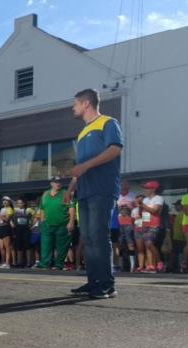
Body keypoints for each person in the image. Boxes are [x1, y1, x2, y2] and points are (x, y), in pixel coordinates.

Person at [69, 88, 124, 299]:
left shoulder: (108, 123)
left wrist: (85, 167)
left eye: (75, 103)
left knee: (99, 237)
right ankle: (94, 282)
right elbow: (80, 167)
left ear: (86, 104)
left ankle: (107, 285)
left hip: (102, 189)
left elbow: (115, 149)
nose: (72, 108)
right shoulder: (82, 133)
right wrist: (70, 188)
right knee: (88, 238)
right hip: (84, 191)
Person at [36, 176, 73, 271]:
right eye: (56, 182)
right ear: (51, 183)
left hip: (62, 225)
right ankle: (44, 264)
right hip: (47, 224)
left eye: (60, 182)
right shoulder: (45, 194)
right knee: (45, 245)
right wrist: (42, 220)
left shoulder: (66, 193)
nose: (58, 184)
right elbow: (42, 208)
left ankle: (58, 264)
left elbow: (71, 208)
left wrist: (71, 222)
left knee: (62, 246)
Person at [139, 181, 164, 273]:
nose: (145, 190)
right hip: (145, 224)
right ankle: (150, 265)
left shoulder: (158, 198)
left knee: (149, 243)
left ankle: (160, 262)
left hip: (154, 224)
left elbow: (154, 210)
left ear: (153, 189)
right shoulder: (145, 200)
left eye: (147, 188)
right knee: (147, 245)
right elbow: (142, 213)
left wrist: (143, 205)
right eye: (144, 188)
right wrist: (140, 208)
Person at [116, 179, 136, 271]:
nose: (123, 187)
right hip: (118, 222)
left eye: (125, 185)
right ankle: (120, 264)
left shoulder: (132, 196)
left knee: (130, 243)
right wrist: (118, 207)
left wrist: (130, 206)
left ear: (128, 186)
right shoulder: (116, 196)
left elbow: (137, 209)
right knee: (119, 243)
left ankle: (133, 266)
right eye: (121, 185)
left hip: (129, 222)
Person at [12, 199, 33, 268]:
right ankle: (19, 262)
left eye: (21, 203)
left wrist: (30, 226)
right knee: (18, 246)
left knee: (27, 246)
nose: (19, 204)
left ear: (24, 203)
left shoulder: (28, 210)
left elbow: (32, 219)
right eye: (18, 203)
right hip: (18, 230)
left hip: (26, 230)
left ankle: (29, 263)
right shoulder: (15, 211)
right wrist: (14, 229)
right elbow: (12, 221)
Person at [0, 196, 14, 268]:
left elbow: (6, 219)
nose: (5, 202)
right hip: (1, 227)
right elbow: (0, 219)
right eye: (4, 200)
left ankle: (7, 263)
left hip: (6, 227)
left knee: (7, 246)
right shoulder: (2, 209)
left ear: (9, 202)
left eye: (6, 201)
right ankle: (3, 261)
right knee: (1, 247)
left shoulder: (10, 209)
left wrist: (0, 216)